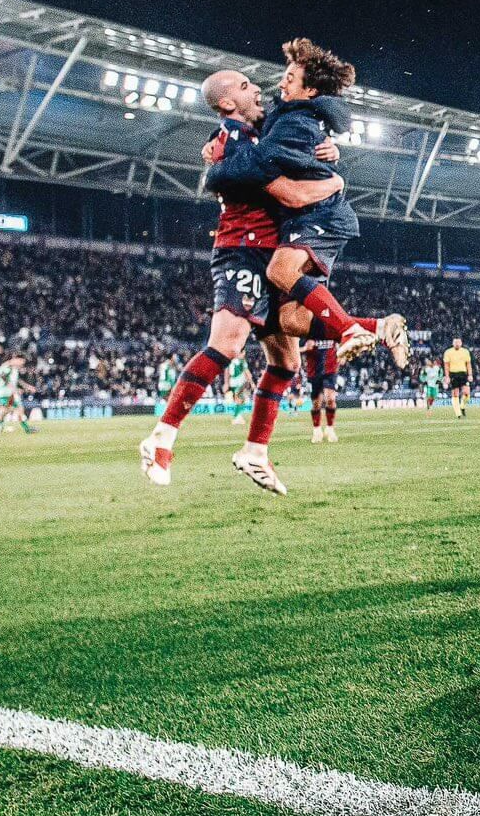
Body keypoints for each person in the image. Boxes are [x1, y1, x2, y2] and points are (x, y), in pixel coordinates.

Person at [141, 59, 353, 494]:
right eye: (244, 85)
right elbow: (291, 194)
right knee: (227, 344)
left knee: (287, 362)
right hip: (241, 251)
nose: (257, 89)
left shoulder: (259, 133)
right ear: (226, 102)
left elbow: (300, 135)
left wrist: (331, 149)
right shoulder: (234, 145)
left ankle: (255, 451)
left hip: (267, 253)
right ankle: (161, 438)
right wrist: (334, 182)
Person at [201, 39, 411, 371]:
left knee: (280, 271)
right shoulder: (284, 116)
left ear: (309, 90)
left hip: (318, 215)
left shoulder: (293, 122)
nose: (279, 81)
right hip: (306, 220)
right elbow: (249, 128)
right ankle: (381, 328)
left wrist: (217, 171)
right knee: (291, 319)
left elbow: (285, 188)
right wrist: (218, 136)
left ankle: (350, 330)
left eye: (289, 77)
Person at [0, 353, 35, 435]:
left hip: (9, 393)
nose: (22, 364)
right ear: (16, 359)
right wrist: (13, 388)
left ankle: (27, 428)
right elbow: (2, 376)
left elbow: (16, 380)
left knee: (16, 409)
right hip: (3, 393)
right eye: (21, 362)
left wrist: (27, 387)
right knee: (6, 410)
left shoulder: (14, 368)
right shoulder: (8, 366)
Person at [305, 338, 340, 443]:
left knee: (330, 399)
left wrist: (342, 353)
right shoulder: (309, 330)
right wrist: (306, 348)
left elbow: (343, 341)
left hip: (330, 371)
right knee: (316, 404)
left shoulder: (332, 328)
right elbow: (297, 348)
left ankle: (330, 429)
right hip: (314, 372)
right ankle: (317, 430)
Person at [443, 338, 473, 416]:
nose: (457, 344)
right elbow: (446, 365)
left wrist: (470, 374)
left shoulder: (465, 352)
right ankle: (458, 413)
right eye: (455, 342)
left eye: (458, 342)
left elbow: (468, 364)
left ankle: (462, 406)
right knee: (455, 393)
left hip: (463, 373)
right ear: (453, 343)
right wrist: (447, 376)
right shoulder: (448, 352)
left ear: (461, 343)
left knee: (466, 393)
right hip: (453, 374)